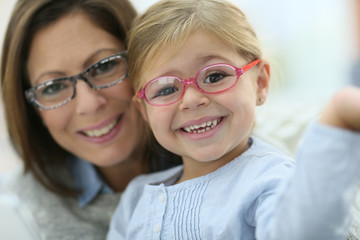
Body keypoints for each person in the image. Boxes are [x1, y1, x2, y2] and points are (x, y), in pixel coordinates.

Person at [106, 0, 360, 239]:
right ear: (144, 112)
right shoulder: (136, 197)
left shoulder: (271, 180)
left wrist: (337, 123)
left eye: (215, 76)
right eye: (165, 90)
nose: (192, 100)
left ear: (260, 83)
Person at [0, 0, 180, 239]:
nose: (89, 104)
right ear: (31, 110)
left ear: (144, 56)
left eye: (104, 66)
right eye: (53, 87)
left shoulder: (231, 159)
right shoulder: (17, 215)